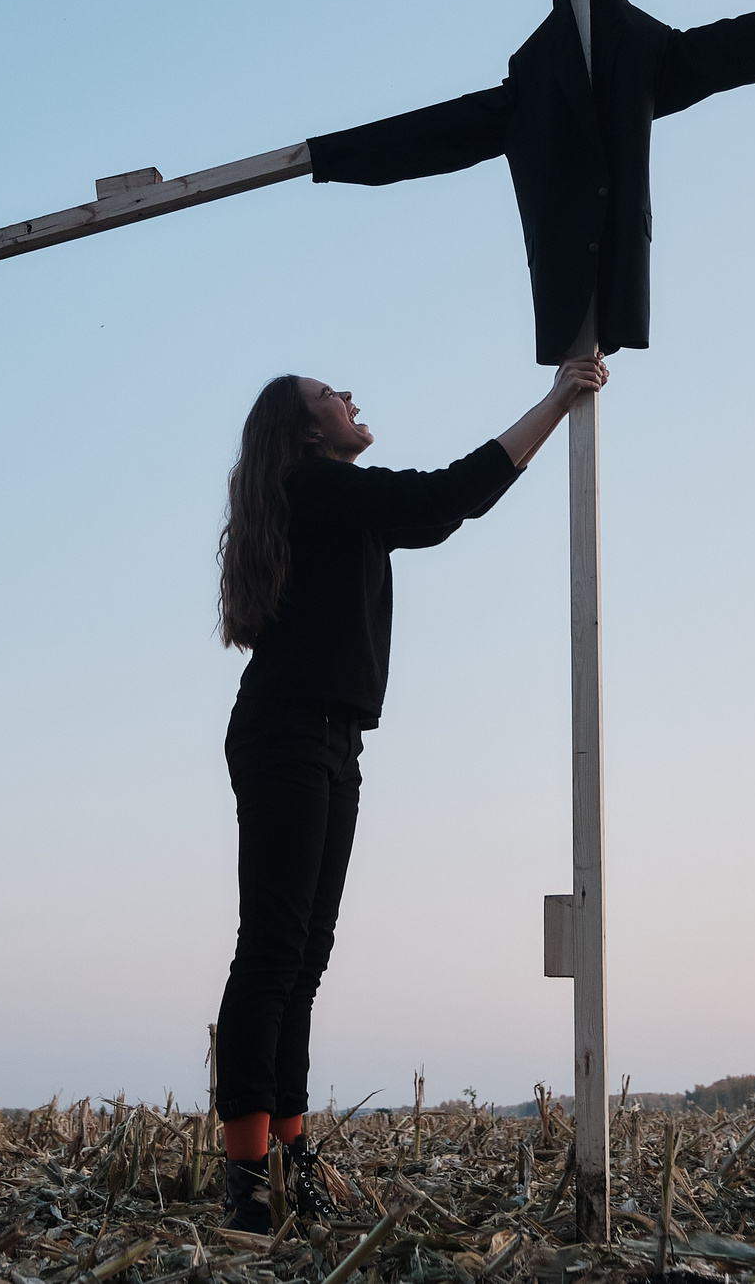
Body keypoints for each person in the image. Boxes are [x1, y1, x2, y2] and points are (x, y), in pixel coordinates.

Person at [210, 354, 609, 1231]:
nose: (350, 398)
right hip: (287, 736)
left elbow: (432, 509)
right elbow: (445, 498)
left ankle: (289, 1150)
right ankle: (244, 1179)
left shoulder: (331, 502)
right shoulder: (317, 487)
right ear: (304, 429)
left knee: (304, 957)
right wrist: (553, 402)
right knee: (275, 953)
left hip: (329, 738)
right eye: (330, 396)